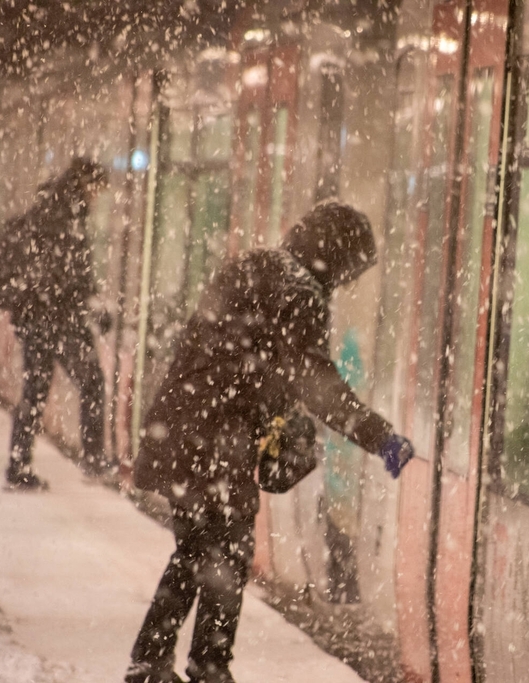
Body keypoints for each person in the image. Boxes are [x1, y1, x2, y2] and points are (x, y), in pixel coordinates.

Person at [124, 201, 415, 683]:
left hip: (184, 428)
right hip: (217, 441)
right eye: (349, 271)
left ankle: (153, 663)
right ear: (336, 256)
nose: (345, 283)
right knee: (225, 554)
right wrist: (380, 436)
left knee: (196, 550)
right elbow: (316, 383)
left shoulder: (255, 265)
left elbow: (245, 359)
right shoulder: (299, 291)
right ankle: (205, 666)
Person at [0, 156, 113, 490]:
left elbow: (62, 268)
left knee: (35, 392)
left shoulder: (51, 209)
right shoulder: (65, 215)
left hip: (37, 317)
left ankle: (18, 466)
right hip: (57, 316)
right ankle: (95, 458)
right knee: (92, 382)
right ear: (86, 184)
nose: (98, 196)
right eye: (97, 188)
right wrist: (90, 302)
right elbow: (69, 271)